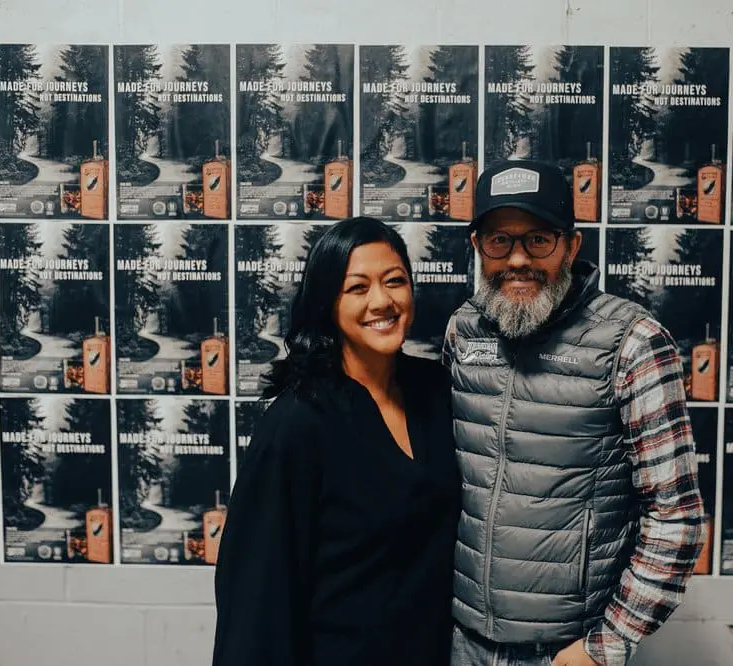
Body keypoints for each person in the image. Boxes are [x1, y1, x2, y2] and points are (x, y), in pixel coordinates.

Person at [442, 160, 707, 666]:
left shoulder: (632, 342)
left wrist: (604, 645)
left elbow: (676, 515)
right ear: (477, 247)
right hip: (463, 641)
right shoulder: (464, 331)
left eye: (538, 239)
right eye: (499, 241)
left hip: (564, 653)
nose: (517, 259)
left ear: (571, 245)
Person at [210, 216, 461, 666]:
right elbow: (255, 595)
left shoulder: (437, 392)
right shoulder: (298, 421)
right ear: (328, 302)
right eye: (357, 288)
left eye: (395, 281)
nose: (382, 301)